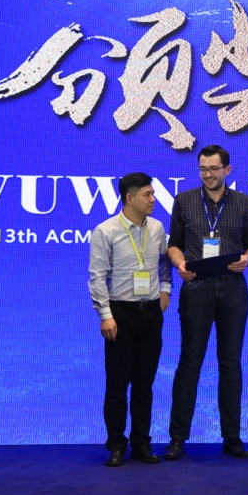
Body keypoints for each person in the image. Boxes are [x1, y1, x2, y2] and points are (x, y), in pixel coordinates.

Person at [163, 145, 248, 460]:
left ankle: (232, 437)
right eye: (203, 169)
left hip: (233, 288)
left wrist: (247, 259)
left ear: (227, 170)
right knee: (190, 361)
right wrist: (179, 263)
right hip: (197, 287)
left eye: (214, 169)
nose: (208, 174)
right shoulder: (184, 200)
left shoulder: (243, 202)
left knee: (230, 363)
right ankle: (177, 438)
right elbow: (174, 245)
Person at [88, 172, 172, 467]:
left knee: (144, 384)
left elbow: (164, 263)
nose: (153, 200)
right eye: (147, 194)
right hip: (119, 314)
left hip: (151, 313)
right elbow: (97, 277)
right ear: (129, 198)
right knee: (117, 383)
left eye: (153, 194)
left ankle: (141, 443)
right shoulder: (106, 231)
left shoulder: (157, 228)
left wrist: (165, 289)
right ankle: (116, 444)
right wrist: (105, 315)